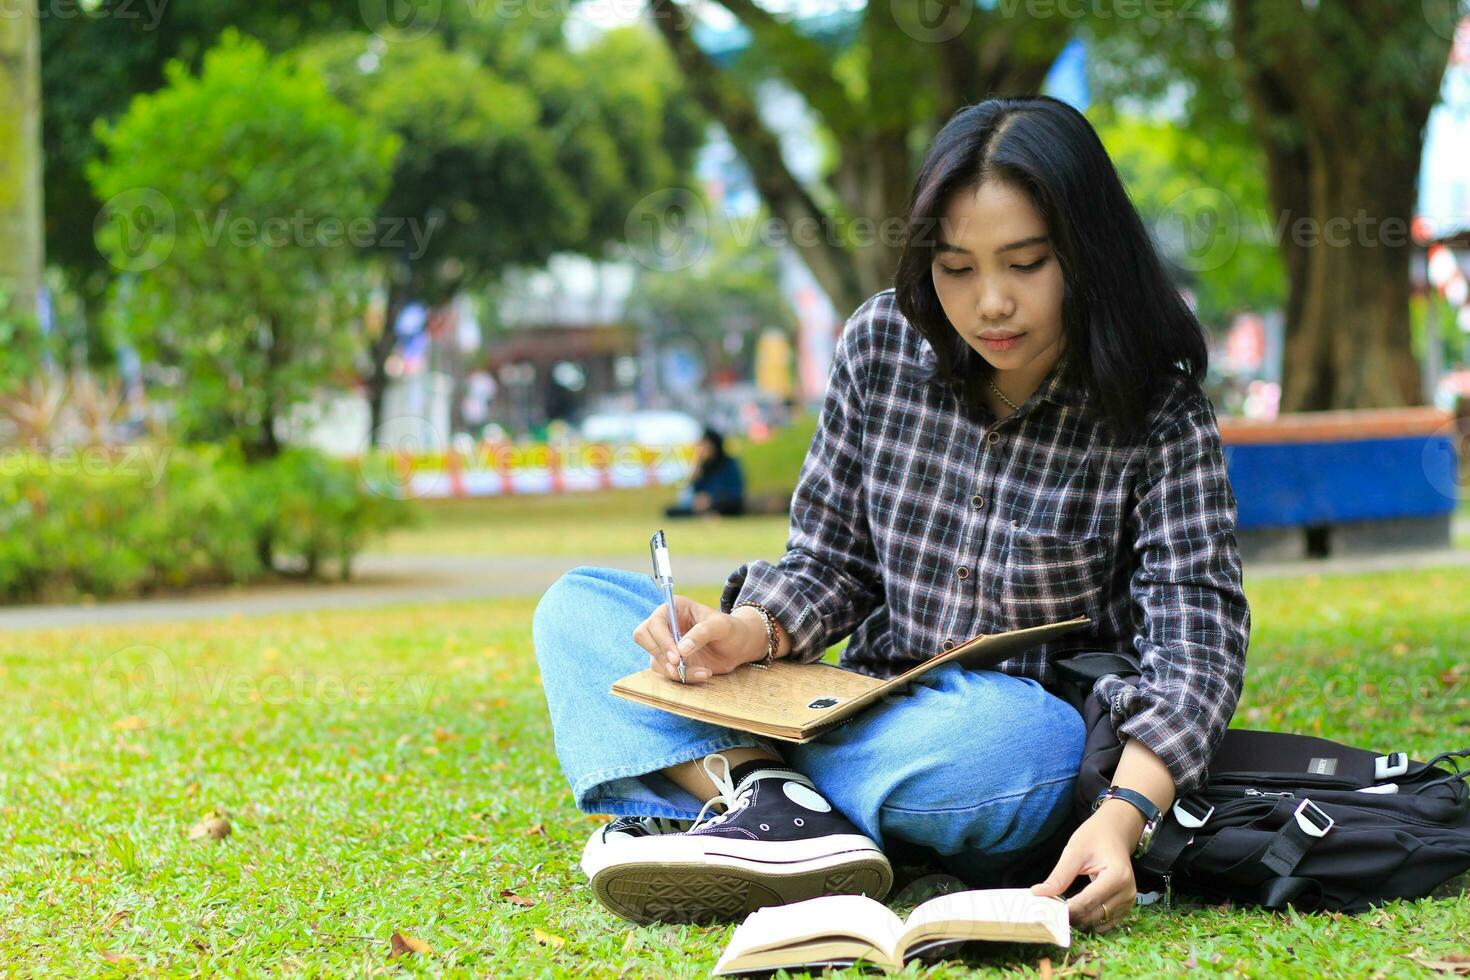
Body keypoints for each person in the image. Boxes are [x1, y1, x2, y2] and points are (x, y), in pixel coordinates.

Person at [532, 95, 1250, 933]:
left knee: (1019, 743)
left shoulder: (1157, 407)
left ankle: (746, 791)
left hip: (995, 743)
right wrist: (751, 632)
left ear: (1087, 254)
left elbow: (1197, 643)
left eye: (1025, 264)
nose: (990, 304)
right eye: (957, 268)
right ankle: (774, 801)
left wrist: (1123, 815)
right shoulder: (881, 341)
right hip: (849, 701)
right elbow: (831, 564)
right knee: (578, 610)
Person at [664, 426, 746, 518]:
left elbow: (735, 492)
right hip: (703, 506)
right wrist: (693, 477)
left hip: (723, 503)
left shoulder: (729, 464)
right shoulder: (702, 466)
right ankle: (707, 514)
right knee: (671, 511)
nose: (702, 449)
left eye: (705, 446)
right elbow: (692, 494)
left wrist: (711, 499)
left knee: (728, 504)